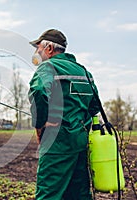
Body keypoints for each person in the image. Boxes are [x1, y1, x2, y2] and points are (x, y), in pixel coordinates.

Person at [28, 29, 100, 200]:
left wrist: (41, 123)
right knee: (79, 194)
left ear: (50, 49)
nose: (36, 52)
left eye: (38, 48)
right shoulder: (84, 71)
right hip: (80, 143)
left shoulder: (48, 67)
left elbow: (38, 90)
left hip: (56, 143)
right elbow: (94, 106)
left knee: (49, 195)